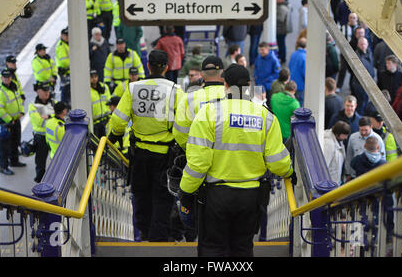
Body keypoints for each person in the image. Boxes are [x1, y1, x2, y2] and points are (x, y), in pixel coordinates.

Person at [178, 64, 294, 257]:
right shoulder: (265, 117)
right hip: (251, 197)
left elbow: (199, 163)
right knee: (242, 248)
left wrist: (186, 191)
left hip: (216, 196)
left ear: (225, 84)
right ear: (249, 85)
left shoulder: (208, 114)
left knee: (213, 249)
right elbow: (277, 161)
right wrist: (290, 172)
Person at [108, 49, 184, 242]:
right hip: (165, 156)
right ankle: (158, 239)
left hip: (139, 154)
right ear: (166, 67)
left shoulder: (133, 88)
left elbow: (118, 123)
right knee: (163, 198)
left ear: (148, 66)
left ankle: (143, 232)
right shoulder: (176, 91)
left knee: (141, 194)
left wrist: (114, 137)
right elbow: (184, 126)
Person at [173, 56, 226, 150]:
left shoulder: (189, 98)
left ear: (201, 75)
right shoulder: (236, 98)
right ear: (223, 73)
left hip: (197, 157)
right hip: (229, 157)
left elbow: (180, 132)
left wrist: (192, 149)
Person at [0, 68, 26, 175]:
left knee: (15, 142)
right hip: (5, 123)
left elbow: (19, 101)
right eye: (5, 77)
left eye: (8, 77)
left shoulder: (14, 87)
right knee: (4, 147)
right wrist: (9, 119)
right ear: (1, 78)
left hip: (16, 120)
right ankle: (3, 167)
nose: (7, 79)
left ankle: (14, 161)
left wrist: (21, 111)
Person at [28, 82, 55, 182]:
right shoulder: (33, 105)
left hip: (52, 136)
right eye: (44, 91)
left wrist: (47, 117)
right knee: (40, 161)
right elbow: (39, 122)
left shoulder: (53, 102)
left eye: (47, 90)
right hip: (41, 137)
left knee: (55, 159)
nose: (47, 93)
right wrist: (52, 118)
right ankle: (40, 181)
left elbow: (59, 117)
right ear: (38, 92)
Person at [344, 117, 386, 182]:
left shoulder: (378, 140)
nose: (363, 132)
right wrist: (348, 173)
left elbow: (382, 157)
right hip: (355, 176)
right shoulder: (353, 138)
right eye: (361, 130)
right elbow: (349, 156)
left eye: (366, 130)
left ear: (371, 127)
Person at [350, 37, 374, 115]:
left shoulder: (369, 52)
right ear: (358, 45)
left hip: (368, 83)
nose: (363, 45)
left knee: (365, 101)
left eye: (364, 44)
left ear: (367, 44)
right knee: (361, 103)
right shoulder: (356, 56)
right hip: (359, 84)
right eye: (361, 44)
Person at [336, 12, 359, 92]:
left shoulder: (359, 29)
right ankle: (339, 86)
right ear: (348, 18)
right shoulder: (343, 28)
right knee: (342, 69)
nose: (352, 19)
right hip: (345, 53)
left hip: (356, 53)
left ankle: (351, 85)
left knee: (354, 71)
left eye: (354, 18)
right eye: (351, 17)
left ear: (357, 19)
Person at [323, 121, 351, 185]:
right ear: (337, 134)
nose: (346, 138)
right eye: (344, 135)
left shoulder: (338, 140)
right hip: (330, 183)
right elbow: (324, 165)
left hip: (336, 181)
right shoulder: (328, 144)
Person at [254, 41, 281, 106]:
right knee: (258, 103)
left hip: (268, 87)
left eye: (262, 50)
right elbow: (256, 68)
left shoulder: (274, 60)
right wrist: (255, 77)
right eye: (260, 50)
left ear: (267, 49)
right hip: (259, 85)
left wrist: (267, 80)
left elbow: (277, 74)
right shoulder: (259, 57)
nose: (261, 52)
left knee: (268, 105)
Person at [90, 70, 111, 139]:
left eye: (95, 76)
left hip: (106, 120)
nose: (94, 79)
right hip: (95, 123)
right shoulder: (88, 90)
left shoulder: (104, 87)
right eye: (92, 77)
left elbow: (109, 101)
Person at [288, 37, 307, 106]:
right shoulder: (304, 57)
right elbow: (304, 73)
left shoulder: (293, 54)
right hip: (300, 84)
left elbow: (289, 66)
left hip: (292, 81)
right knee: (300, 102)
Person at [55, 28, 71, 105]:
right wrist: (73, 64)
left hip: (69, 71)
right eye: (65, 35)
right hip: (64, 71)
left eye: (68, 35)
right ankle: (65, 105)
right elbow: (64, 61)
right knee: (66, 89)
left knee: (69, 89)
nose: (67, 37)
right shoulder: (61, 46)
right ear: (62, 35)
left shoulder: (68, 44)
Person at [276, 0, 290, 64]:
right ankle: (281, 56)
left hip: (281, 30)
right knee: (281, 44)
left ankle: (282, 57)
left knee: (281, 44)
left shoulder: (282, 8)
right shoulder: (281, 6)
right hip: (280, 29)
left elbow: (280, 19)